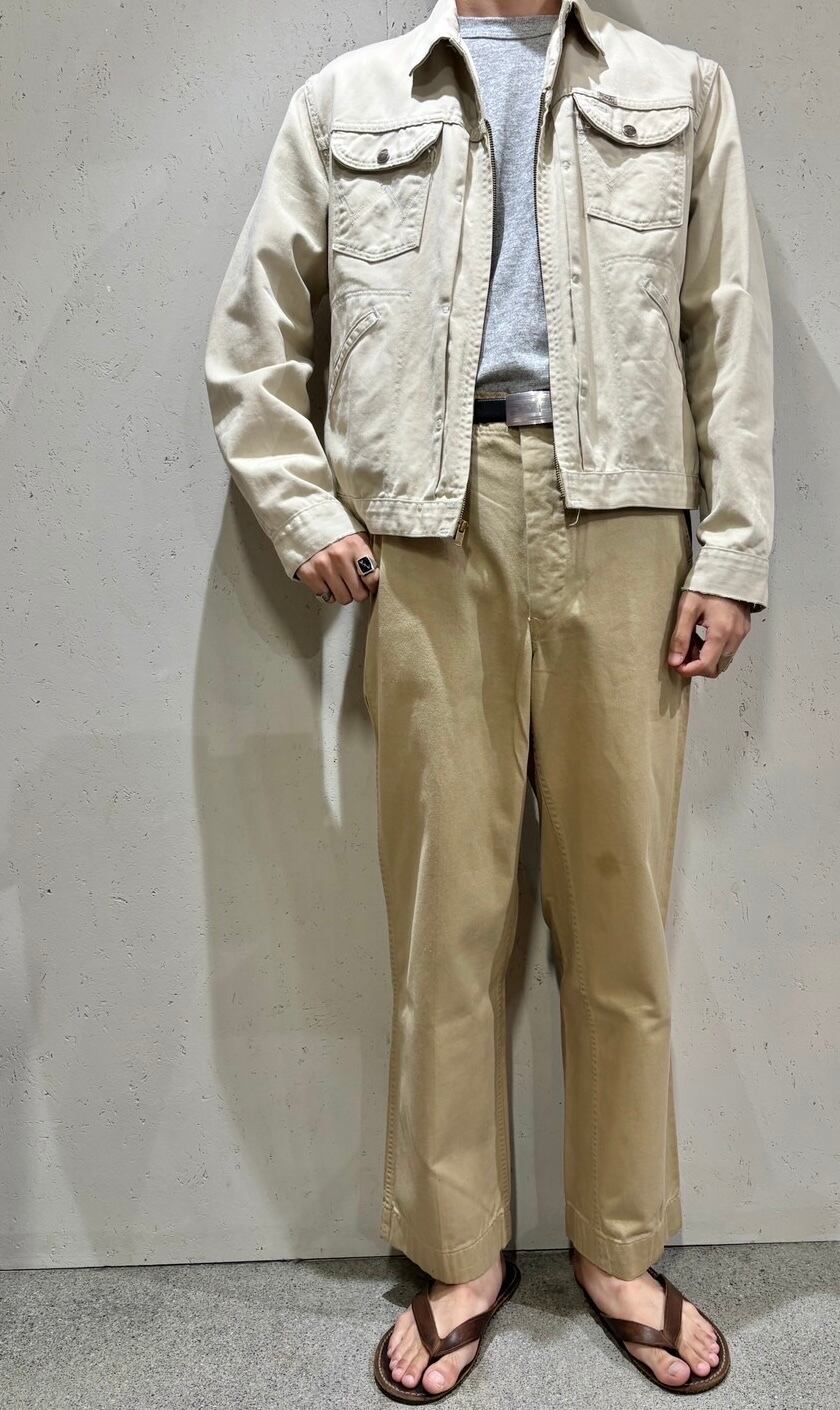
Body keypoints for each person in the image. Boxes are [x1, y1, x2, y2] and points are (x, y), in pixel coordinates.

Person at [204, 0, 773, 1398]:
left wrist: (733, 551)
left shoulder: (678, 89)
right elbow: (252, 341)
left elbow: (726, 327)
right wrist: (304, 510)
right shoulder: (347, 98)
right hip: (424, 522)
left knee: (618, 917)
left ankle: (620, 1245)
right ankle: (457, 1249)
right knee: (443, 917)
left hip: (624, 517)